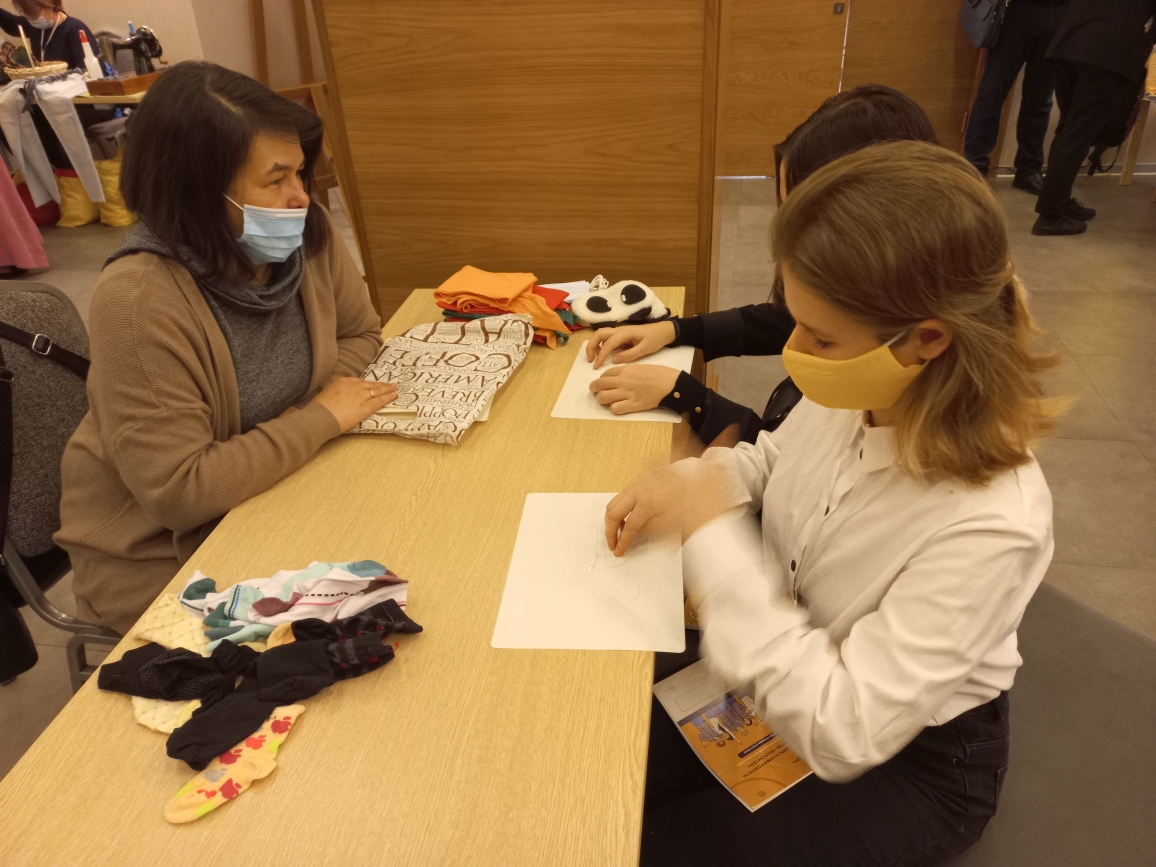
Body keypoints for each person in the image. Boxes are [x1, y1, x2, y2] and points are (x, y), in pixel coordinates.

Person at [606, 141, 1058, 866]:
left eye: (820, 336)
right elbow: (772, 458)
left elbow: (842, 728)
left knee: (661, 848)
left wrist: (711, 538)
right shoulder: (860, 387)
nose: (795, 349)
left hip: (907, 755)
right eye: (795, 320)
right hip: (791, 659)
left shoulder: (993, 519)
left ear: (926, 340)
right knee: (604, 750)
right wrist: (696, 481)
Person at [54, 62, 397, 636]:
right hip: (166, 555)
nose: (299, 197)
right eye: (275, 179)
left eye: (300, 173)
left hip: (278, 488)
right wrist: (317, 419)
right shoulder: (139, 299)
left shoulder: (302, 233)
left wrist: (299, 426)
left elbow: (360, 333)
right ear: (196, 190)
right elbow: (182, 491)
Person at [585, 85, 937, 446]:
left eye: (821, 339)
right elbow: (777, 448)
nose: (793, 347)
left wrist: (689, 397)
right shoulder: (891, 308)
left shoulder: (895, 413)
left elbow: (789, 457)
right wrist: (678, 330)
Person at [1033, 0, 1156, 236]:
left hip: (1068, 45)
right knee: (1077, 134)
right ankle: (1050, 215)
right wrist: (1142, 46)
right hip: (1108, 52)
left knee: (1068, 130)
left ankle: (1059, 200)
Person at [962, 0, 1065, 195]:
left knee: (1041, 100)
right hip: (1016, 12)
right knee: (991, 94)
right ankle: (974, 167)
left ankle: (1029, 169)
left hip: (1060, 13)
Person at [0, 0, 98, 69]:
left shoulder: (76, 30)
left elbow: (86, 71)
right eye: (26, 15)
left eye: (34, 15)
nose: (30, 19)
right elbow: (12, 25)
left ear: (50, 5)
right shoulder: (36, 27)